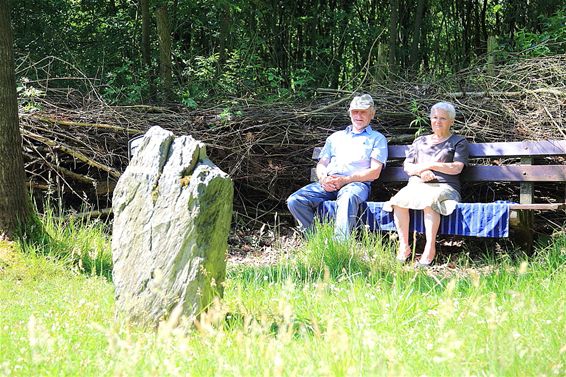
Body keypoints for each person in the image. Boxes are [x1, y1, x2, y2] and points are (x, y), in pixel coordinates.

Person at [287, 94, 388, 240]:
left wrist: (345, 180)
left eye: (363, 112)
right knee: (295, 200)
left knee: (347, 198)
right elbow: (322, 164)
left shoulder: (377, 139)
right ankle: (317, 243)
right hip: (328, 183)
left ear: (372, 114)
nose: (358, 115)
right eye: (355, 111)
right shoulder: (335, 137)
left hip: (355, 185)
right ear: (349, 113)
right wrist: (323, 179)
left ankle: (340, 246)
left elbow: (374, 172)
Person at [383, 102, 469, 267]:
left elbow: (457, 168)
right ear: (430, 119)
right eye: (435, 117)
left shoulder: (458, 142)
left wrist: (431, 166)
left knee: (430, 201)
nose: (438, 121)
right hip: (416, 185)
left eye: (443, 118)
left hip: (444, 187)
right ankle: (404, 247)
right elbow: (408, 167)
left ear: (451, 121)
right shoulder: (420, 141)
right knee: (399, 200)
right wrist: (422, 173)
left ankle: (430, 249)